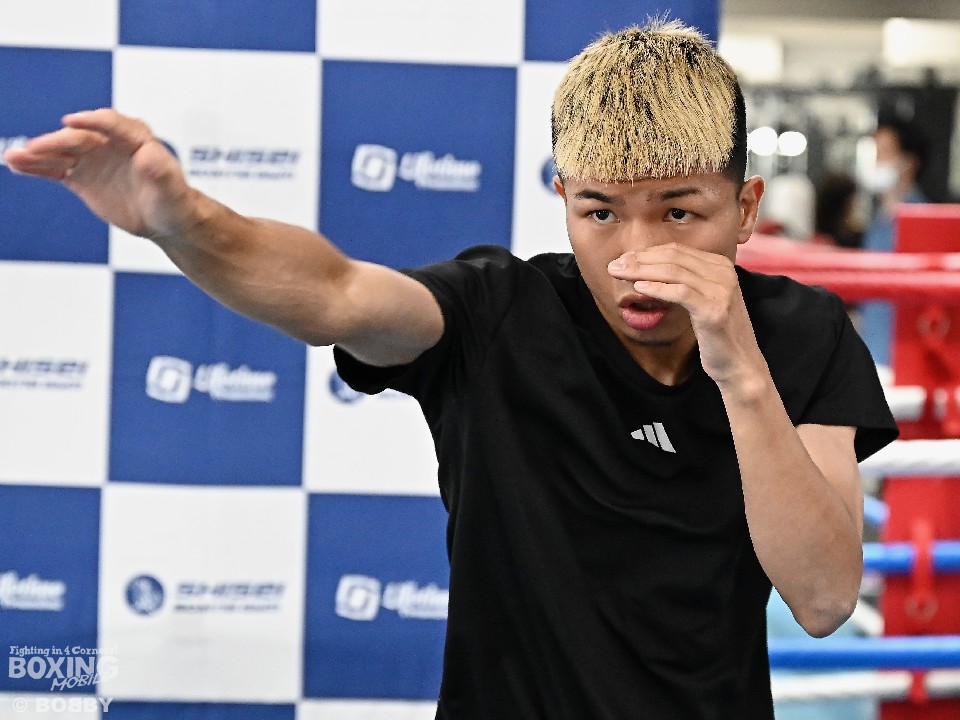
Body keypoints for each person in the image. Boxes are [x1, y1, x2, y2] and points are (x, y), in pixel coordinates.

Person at [5, 20, 897, 719]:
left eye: (678, 213)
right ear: (563, 200)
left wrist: (739, 368)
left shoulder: (798, 334)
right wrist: (183, 221)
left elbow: (823, 598)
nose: (636, 257)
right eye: (600, 212)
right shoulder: (499, 311)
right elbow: (335, 294)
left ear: (745, 208)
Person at [859, 119, 930, 366]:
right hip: (874, 347)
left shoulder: (921, 222)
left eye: (884, 153)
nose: (876, 162)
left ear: (909, 163)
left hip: (902, 355)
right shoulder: (880, 217)